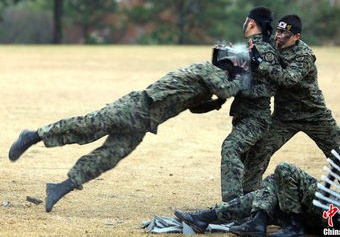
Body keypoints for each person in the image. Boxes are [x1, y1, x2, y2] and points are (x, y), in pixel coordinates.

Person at [8, 59, 246, 212]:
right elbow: (226, 88)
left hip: (145, 121)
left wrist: (215, 104)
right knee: (87, 127)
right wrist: (238, 81)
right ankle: (34, 135)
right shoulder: (208, 69)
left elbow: (194, 106)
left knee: (109, 157)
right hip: (135, 107)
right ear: (225, 70)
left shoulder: (207, 85)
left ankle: (60, 187)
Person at [242, 14, 340, 193]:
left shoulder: (304, 55)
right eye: (278, 31)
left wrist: (260, 63)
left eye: (284, 33)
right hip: (284, 117)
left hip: (315, 116)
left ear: (296, 37)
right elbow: (255, 51)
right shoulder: (273, 48)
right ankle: (248, 199)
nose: (278, 36)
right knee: (257, 152)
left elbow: (288, 79)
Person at [219, 6, 280, 202]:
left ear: (251, 23)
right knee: (249, 178)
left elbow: (270, 87)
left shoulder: (263, 50)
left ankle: (231, 208)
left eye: (246, 21)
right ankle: (248, 207)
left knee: (230, 148)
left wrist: (238, 84)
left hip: (256, 119)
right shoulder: (250, 47)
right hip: (244, 116)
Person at [175, 162, 332, 237]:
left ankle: (289, 226)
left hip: (332, 213)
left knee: (284, 170)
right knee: (271, 187)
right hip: (317, 220)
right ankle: (258, 220)